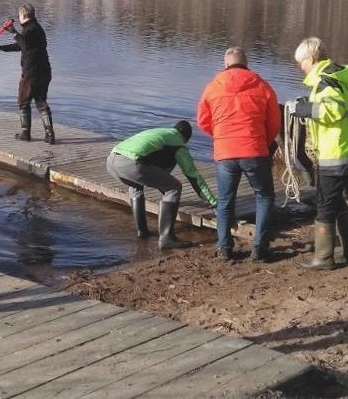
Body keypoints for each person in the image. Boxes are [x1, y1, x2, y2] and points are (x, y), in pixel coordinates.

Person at [286, 37, 348, 270]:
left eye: (301, 61)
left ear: (311, 59)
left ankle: (323, 257)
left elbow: (333, 109)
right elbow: (331, 104)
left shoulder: (324, 81)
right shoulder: (335, 75)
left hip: (335, 153)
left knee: (324, 204)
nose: (299, 66)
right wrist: (307, 103)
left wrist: (302, 109)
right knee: (337, 201)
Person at [197, 47, 280, 262]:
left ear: (225, 64)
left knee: (225, 201)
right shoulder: (262, 85)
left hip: (225, 151)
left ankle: (224, 247)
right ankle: (260, 247)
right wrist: (266, 141)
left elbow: (203, 120)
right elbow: (274, 122)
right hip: (254, 149)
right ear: (246, 63)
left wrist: (221, 135)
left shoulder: (213, 86)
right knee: (264, 197)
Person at [106, 121, 217, 249]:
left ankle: (142, 232)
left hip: (112, 160)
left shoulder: (162, 133)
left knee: (136, 185)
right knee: (174, 188)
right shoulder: (178, 142)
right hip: (131, 163)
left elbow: (157, 171)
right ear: (186, 137)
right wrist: (212, 202)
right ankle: (166, 239)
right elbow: (193, 175)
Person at [0, 3, 54, 144]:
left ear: (23, 16)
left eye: (19, 16)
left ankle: (26, 133)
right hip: (44, 72)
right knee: (41, 102)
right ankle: (49, 135)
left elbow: (23, 43)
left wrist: (12, 31)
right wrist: (0, 47)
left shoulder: (29, 30)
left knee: (23, 102)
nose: (18, 18)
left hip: (31, 74)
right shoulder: (37, 29)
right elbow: (22, 46)